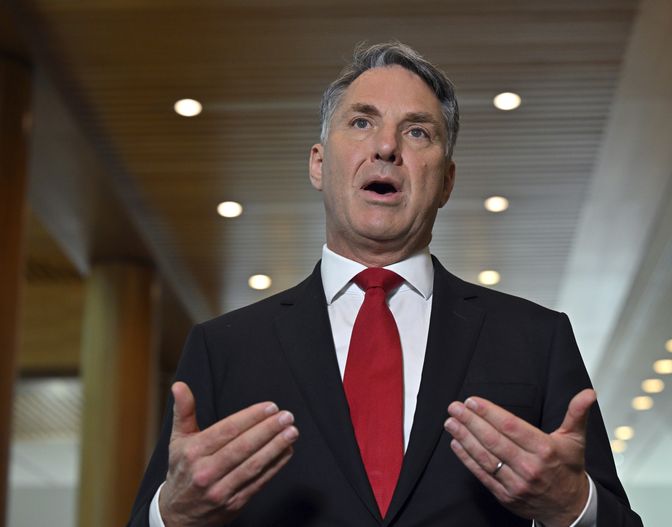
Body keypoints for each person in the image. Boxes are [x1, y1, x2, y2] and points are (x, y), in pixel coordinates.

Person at [127, 42, 642, 527]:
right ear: (319, 163)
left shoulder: (537, 338)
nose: (387, 146)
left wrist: (574, 505)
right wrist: (174, 515)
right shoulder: (223, 349)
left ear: (446, 181)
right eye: (361, 122)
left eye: (418, 132)